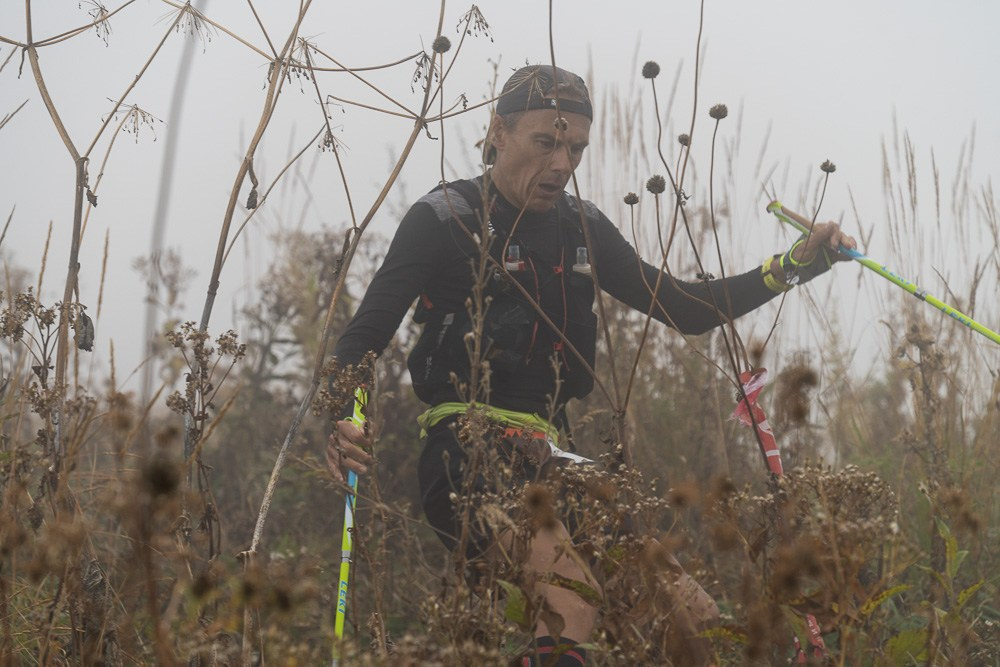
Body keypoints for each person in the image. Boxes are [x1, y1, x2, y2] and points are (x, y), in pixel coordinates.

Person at [325, 64, 857, 666]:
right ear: (499, 132)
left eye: (576, 147)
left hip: (556, 456)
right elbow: (364, 336)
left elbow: (685, 309)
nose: (562, 164)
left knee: (694, 622)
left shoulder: (585, 226)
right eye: (545, 142)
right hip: (465, 448)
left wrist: (795, 264)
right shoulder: (445, 217)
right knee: (571, 606)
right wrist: (346, 417)